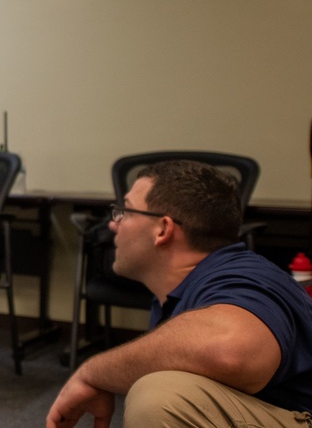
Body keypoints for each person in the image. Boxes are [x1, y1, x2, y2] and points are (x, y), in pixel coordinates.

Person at [47, 160, 312, 428]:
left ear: (162, 229)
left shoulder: (247, 277)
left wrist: (92, 373)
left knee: (160, 398)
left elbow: (231, 351)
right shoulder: (181, 292)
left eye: (123, 212)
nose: (113, 225)